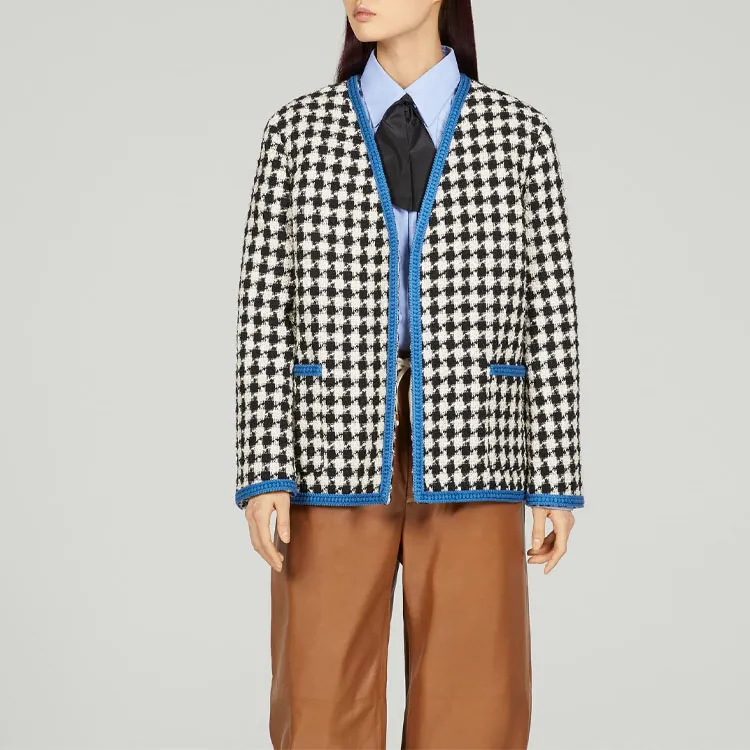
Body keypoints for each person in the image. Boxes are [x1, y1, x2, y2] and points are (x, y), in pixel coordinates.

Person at [235, 1, 584, 747]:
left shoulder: (519, 136)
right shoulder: (296, 133)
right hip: (327, 446)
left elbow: (549, 309)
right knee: (318, 701)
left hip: (477, 444)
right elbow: (264, 308)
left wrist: (556, 478)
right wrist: (264, 469)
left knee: (476, 703)